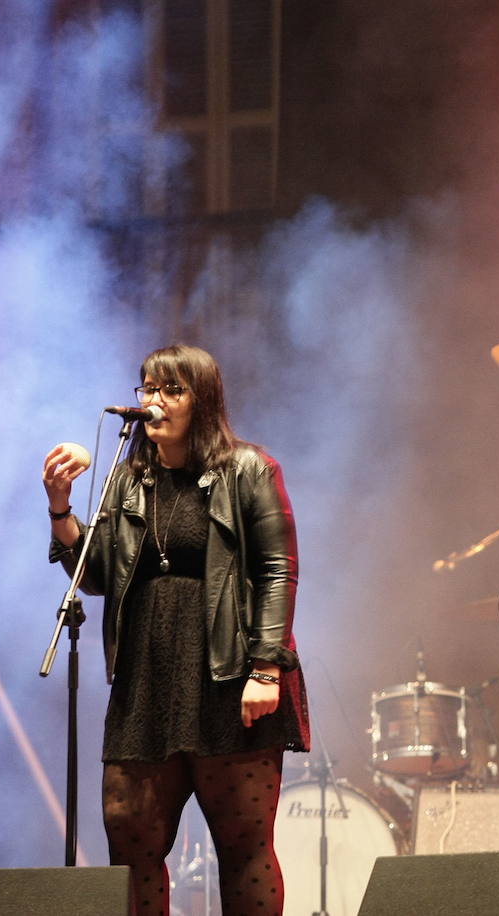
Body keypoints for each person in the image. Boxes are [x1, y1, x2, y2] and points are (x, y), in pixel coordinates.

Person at [43, 344, 310, 916]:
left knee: (243, 848)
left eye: (172, 390)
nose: (153, 402)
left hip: (229, 676)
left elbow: (278, 571)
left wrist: (266, 668)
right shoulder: (127, 480)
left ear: (202, 401)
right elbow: (96, 576)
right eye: (147, 388)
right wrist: (61, 509)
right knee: (130, 843)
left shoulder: (248, 469)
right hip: (147, 682)